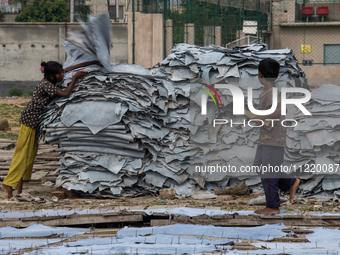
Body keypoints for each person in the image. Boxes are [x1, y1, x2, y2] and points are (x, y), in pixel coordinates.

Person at [1, 60, 102, 199]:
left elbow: (70, 68)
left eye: (61, 72)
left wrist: (92, 62)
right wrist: (75, 78)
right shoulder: (46, 85)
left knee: (29, 155)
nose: (62, 75)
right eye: (60, 74)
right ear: (52, 76)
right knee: (22, 154)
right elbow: (66, 94)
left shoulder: (52, 77)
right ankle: (7, 184)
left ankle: (18, 187)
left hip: (34, 123)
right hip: (29, 122)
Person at [251, 58, 300, 215]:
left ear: (260, 75)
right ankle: (290, 182)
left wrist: (260, 117)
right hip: (266, 138)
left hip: (273, 140)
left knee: (268, 171)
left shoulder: (273, 93)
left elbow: (280, 109)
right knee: (259, 165)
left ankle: (273, 206)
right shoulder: (267, 92)